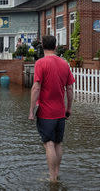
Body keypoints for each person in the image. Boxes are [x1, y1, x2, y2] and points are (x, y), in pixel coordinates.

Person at [28, 35, 74, 182]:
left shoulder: (40, 63)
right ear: (55, 46)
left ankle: (52, 178)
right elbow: (70, 88)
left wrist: (31, 110)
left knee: (48, 144)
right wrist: (69, 108)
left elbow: (36, 87)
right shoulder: (64, 64)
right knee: (58, 143)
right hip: (60, 112)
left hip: (46, 112)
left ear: (42, 46)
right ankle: (57, 173)